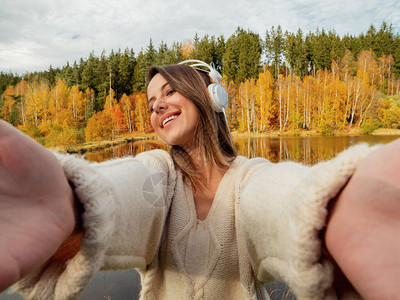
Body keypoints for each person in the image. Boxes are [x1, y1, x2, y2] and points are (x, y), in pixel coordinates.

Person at [0, 60, 399, 300]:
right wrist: (71, 199)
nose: (157, 105)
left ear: (208, 98)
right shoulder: (159, 173)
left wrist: (336, 207)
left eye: (169, 91)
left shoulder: (250, 178)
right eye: (152, 102)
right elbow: (126, 193)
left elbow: (278, 198)